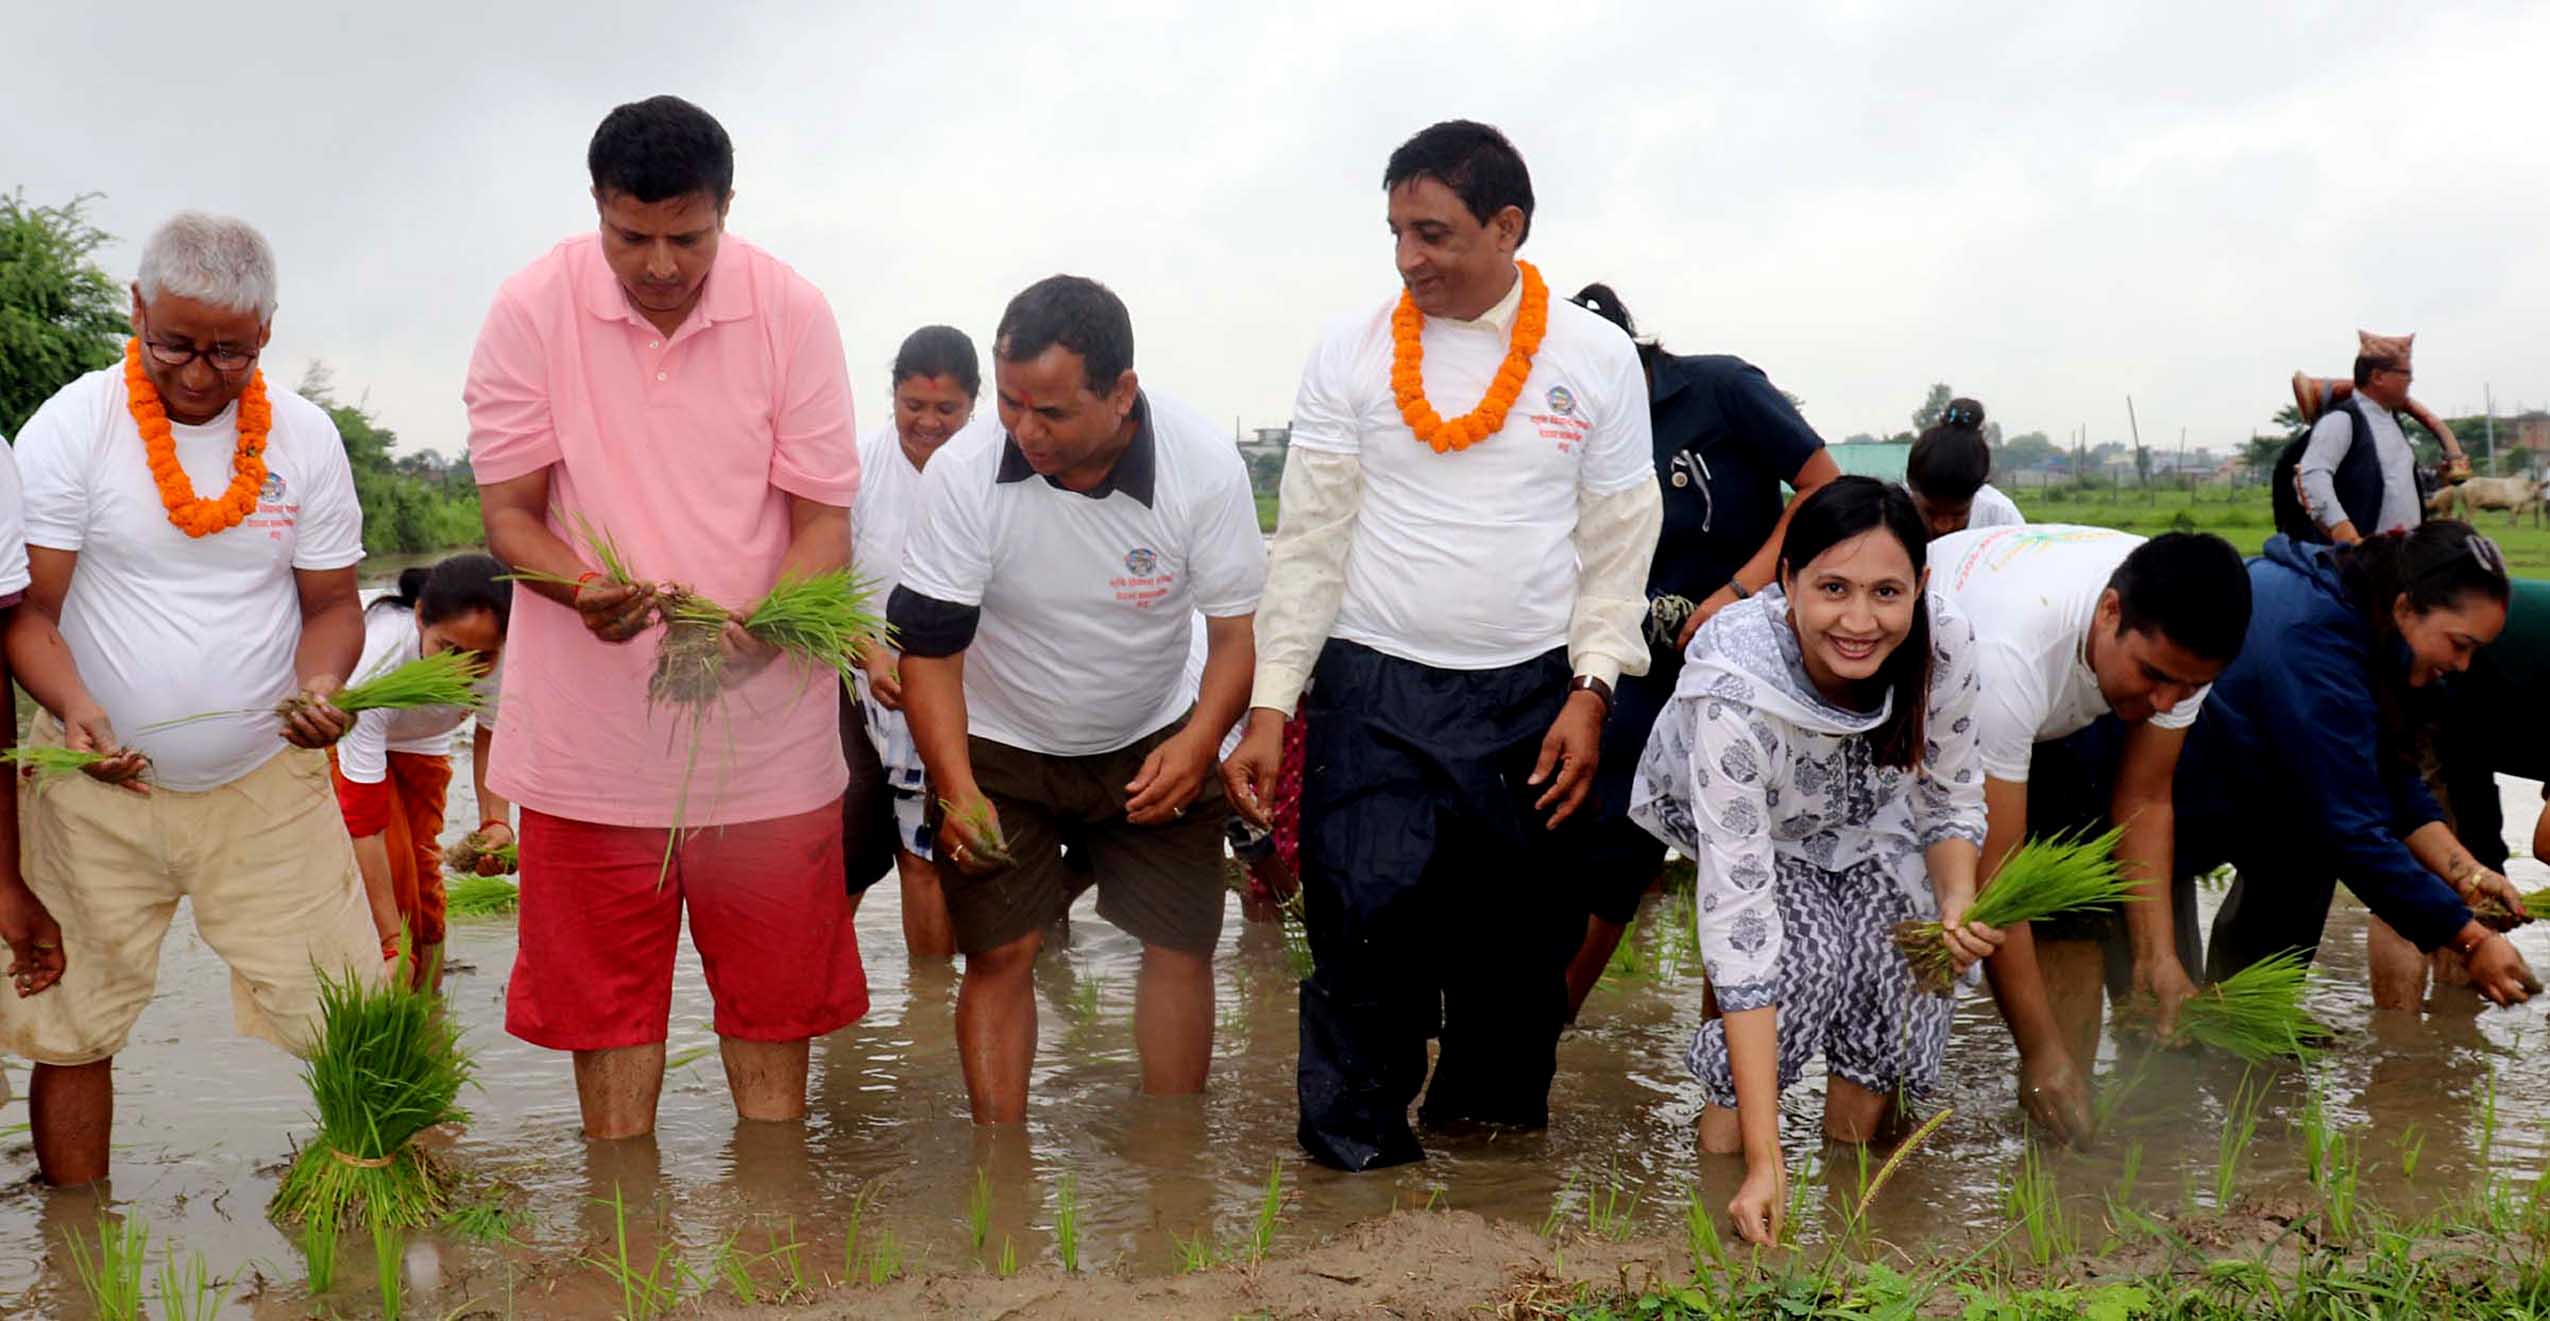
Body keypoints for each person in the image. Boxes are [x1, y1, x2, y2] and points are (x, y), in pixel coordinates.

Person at [1225, 120, 1663, 1172]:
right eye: (1395, 233)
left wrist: (1592, 689)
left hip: (1534, 697)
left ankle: (1493, 1186)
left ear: (1507, 226)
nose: (1407, 258)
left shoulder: (1595, 358)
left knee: (1518, 955)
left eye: (1432, 233)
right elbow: (1311, 539)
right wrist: (1272, 706)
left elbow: (1619, 546)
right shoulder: (1352, 349)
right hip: (1372, 685)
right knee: (1362, 932)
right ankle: (1356, 1178)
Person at [464, 95, 866, 1140]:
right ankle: (620, 1225)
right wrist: (577, 588)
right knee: (605, 1020)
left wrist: (764, 629)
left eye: (686, 238)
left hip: (766, 748)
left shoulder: (792, 311)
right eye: (629, 236)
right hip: (588, 745)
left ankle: (775, 1222)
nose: (657, 265)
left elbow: (824, 523)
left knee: (776, 1010)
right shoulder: (531, 308)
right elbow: (510, 516)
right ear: (597, 206)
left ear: (726, 209)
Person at [1, 212, 379, 1186]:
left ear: (267, 332)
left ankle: (381, 1212)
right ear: (137, 308)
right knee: (71, 1024)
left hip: (266, 783)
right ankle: (77, 1234)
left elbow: (334, 606)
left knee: (351, 1012)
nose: (202, 374)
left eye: (231, 351)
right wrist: (76, 708)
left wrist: (322, 684)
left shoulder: (304, 437)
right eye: (175, 344)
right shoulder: (74, 426)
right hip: (93, 789)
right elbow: (28, 613)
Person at [889, 275, 1265, 1125]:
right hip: (1001, 743)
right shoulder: (963, 475)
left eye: (1051, 412)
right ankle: (1002, 1164)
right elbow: (931, 653)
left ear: (1121, 392)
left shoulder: (1203, 467)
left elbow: (1236, 635)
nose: (1025, 431)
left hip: (1153, 735)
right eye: (1010, 402)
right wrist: (956, 788)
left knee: (1179, 945)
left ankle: (1172, 1158)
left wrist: (1201, 740)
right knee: (1001, 951)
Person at [1631, 477, 1998, 1246]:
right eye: (1833, 588)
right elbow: (1742, 924)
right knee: (1803, 961)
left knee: (1904, 961)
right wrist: (1768, 1159)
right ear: (1788, 579)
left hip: (1875, 814)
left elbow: (1951, 794)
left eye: (1886, 592)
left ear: (1920, 585)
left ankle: (1856, 1209)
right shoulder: (1734, 682)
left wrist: (1956, 900)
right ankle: (1728, 1192)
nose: (1860, 621)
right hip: (1761, 824)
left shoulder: (1947, 640)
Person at [1558, 282, 1840, 1018]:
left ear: (1631, 355)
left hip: (1742, 659)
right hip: (1635, 665)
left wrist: (1737, 593)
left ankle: (1731, 1047)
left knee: (1740, 849)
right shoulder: (1572, 421)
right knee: (1609, 843)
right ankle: (1541, 1034)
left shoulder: (1720, 388)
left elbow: (1821, 486)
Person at [1928, 524, 2250, 1146]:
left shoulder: (2181, 647)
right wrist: (2037, 1050)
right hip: (1924, 703)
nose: (2165, 703)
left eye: (2188, 688)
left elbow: (2146, 798)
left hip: (2047, 711)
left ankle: (2061, 1129)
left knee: (2074, 900)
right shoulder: (2006, 657)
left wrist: (2158, 956)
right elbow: (2000, 874)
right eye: (2153, 676)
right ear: (2109, 612)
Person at [2178, 523, 2536, 1005]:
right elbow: (2351, 829)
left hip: (2250, 783)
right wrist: (2471, 940)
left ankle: (2244, 1014)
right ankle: (2210, 1026)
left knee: (2301, 854)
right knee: (2159, 990)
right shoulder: (2314, 645)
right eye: (2459, 644)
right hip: (2165, 791)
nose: (2463, 665)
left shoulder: (2371, 629)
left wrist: (2467, 873)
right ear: (2406, 607)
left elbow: (2391, 773)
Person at [850, 325, 981, 959]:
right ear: (894, 397)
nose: (928, 423)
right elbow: (825, 588)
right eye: (914, 406)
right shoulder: (857, 469)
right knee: (852, 851)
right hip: (867, 685)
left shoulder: (993, 469)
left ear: (975, 403)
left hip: (964, 694)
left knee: (933, 854)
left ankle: (932, 1000)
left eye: (946, 409)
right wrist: (870, 654)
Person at [331, 554, 512, 988]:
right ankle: (385, 971)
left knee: (424, 878)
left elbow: (490, 736)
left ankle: (428, 1007)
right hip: (354, 732)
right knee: (393, 872)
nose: (462, 671)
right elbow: (365, 822)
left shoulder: (505, 661)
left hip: (422, 742)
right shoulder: (374, 661)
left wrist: (496, 822)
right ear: (419, 617)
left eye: (481, 658)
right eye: (449, 650)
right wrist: (391, 941)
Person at [2392, 574, 2550, 1004]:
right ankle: (2402, 1036)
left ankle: (2453, 1018)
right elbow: (2548, 843)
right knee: (2414, 880)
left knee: (2473, 884)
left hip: (2477, 717)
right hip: (2430, 688)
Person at [2290, 331, 2428, 544]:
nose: (2411, 380)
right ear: (2378, 377)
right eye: (2405, 373)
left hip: (2402, 553)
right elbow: (2312, 475)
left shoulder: (2392, 420)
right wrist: (2339, 526)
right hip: (2361, 555)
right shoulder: (2341, 420)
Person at [1905, 398, 2024, 537]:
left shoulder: (2003, 519)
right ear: (1910, 488)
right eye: (1930, 513)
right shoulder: (1889, 516)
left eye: (1958, 515)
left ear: (1978, 490)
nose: (1943, 527)